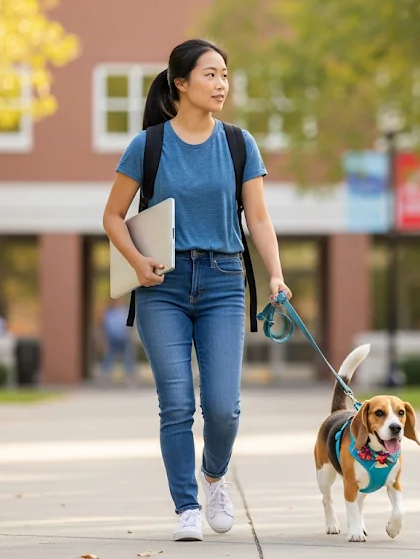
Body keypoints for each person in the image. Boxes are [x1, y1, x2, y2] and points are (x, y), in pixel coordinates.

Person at [102, 38, 291, 543]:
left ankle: (214, 476)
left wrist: (274, 274)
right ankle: (186, 505)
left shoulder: (238, 143)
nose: (221, 84)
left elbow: (260, 218)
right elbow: (111, 216)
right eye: (210, 75)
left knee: (224, 406)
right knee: (177, 404)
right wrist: (137, 262)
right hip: (161, 285)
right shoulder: (149, 145)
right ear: (180, 83)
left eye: (225, 75)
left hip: (224, 282)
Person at [99, 299, 137, 388]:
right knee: (109, 358)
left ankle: (130, 378)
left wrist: (129, 335)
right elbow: (105, 327)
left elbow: (129, 325)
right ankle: (106, 378)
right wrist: (104, 340)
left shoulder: (124, 311)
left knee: (128, 359)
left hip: (124, 339)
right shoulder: (108, 313)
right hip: (112, 339)